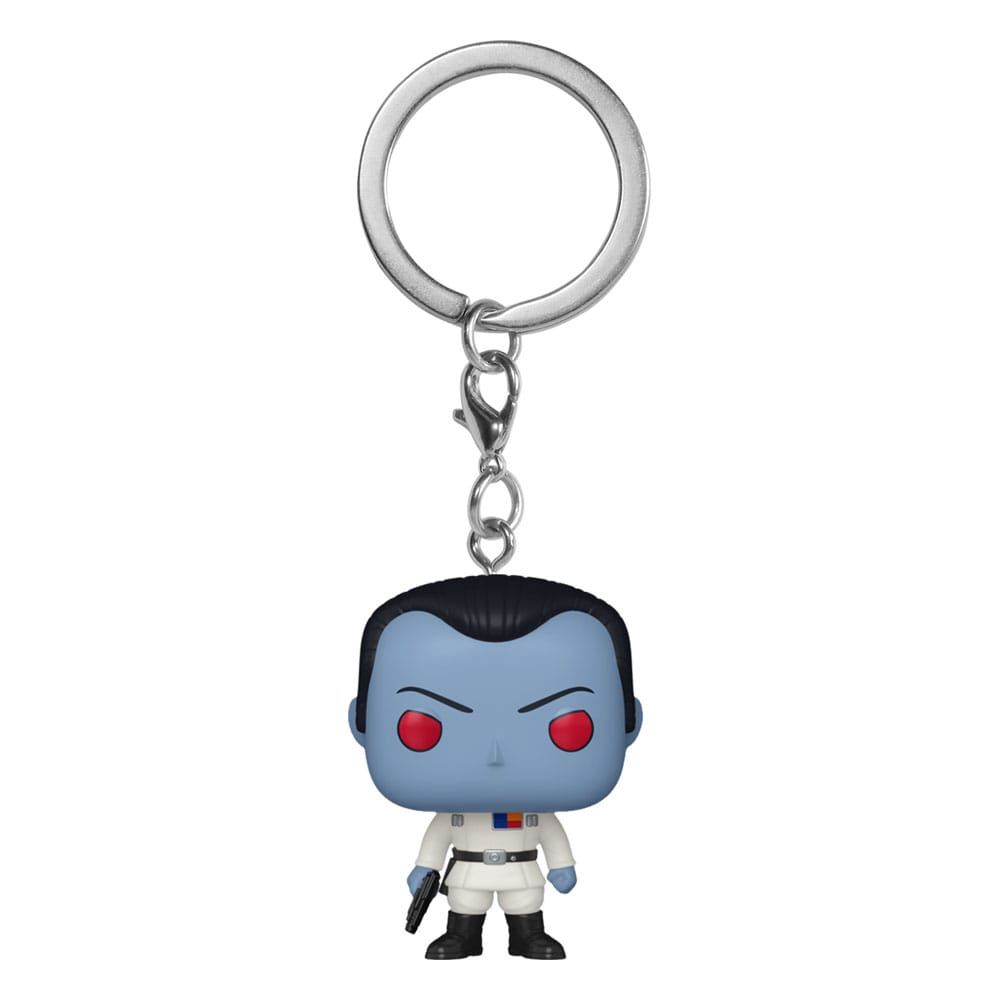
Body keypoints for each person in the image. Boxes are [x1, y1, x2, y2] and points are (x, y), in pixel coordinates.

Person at [348, 575, 643, 959]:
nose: (495, 755)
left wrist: (562, 865)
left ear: (628, 724)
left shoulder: (534, 816)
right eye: (421, 728)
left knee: (525, 903)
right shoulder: (454, 817)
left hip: (522, 872)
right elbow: (437, 838)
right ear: (362, 724)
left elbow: (551, 836)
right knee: (465, 904)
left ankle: (528, 936)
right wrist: (425, 867)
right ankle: (462, 936)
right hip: (467, 873)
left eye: (569, 729)